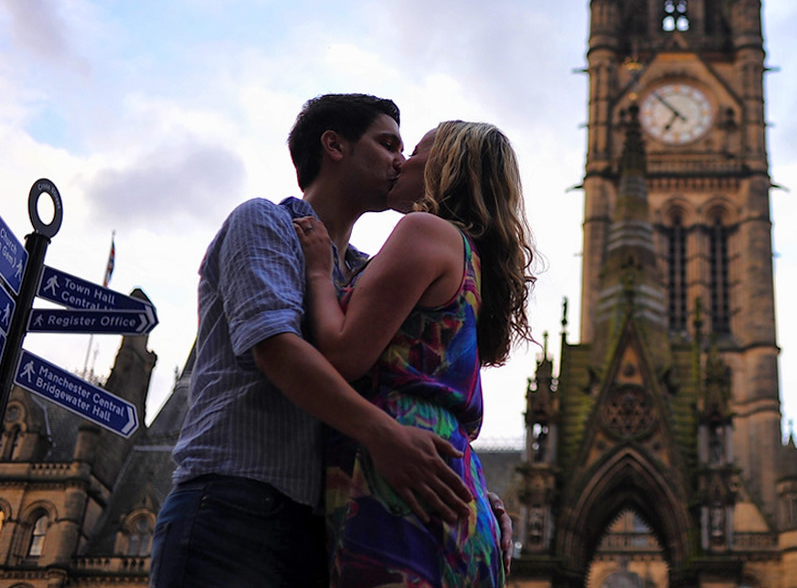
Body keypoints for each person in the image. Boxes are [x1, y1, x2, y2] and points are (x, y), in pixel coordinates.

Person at [151, 94, 475, 588]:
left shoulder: (367, 273)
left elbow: (411, 383)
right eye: (388, 143)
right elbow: (277, 348)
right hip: (231, 505)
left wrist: (473, 488)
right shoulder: (264, 222)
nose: (402, 162)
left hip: (321, 529)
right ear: (334, 145)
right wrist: (383, 435)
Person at [294, 120, 537, 588]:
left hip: (401, 484)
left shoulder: (423, 231)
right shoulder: (469, 258)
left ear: (446, 165)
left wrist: (320, 273)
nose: (402, 160)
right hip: (449, 485)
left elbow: (343, 355)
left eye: (419, 149)